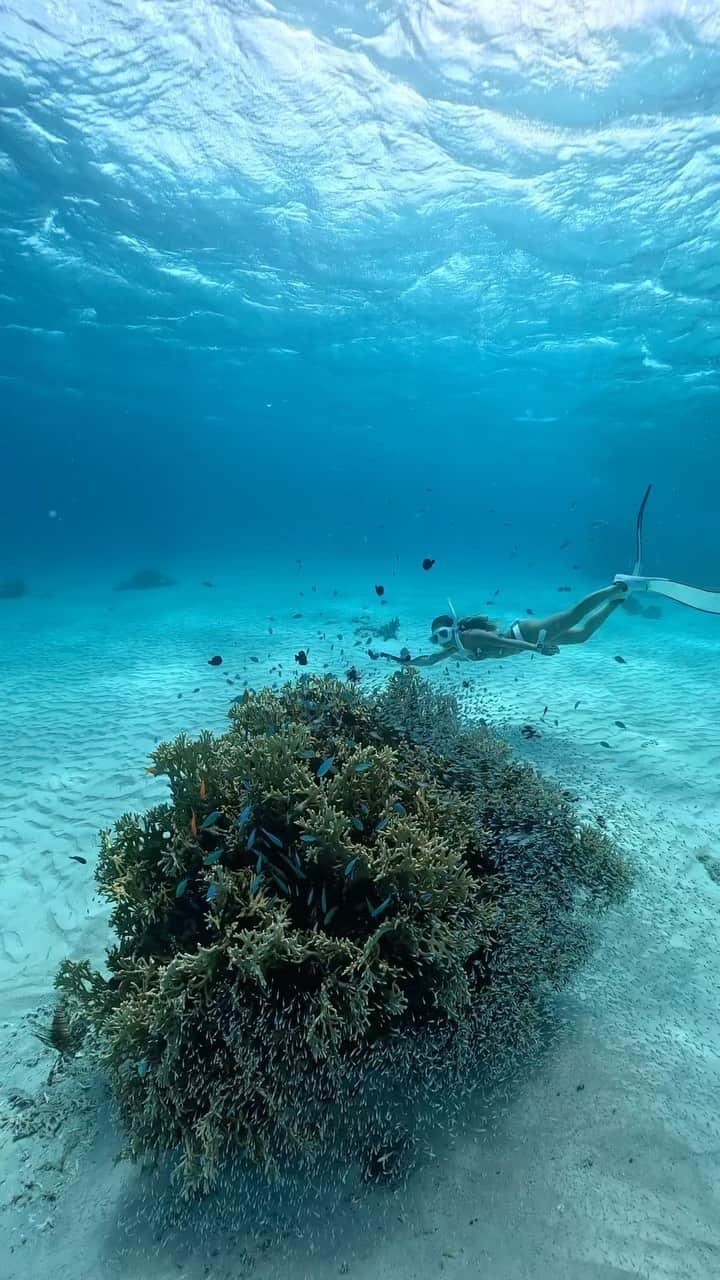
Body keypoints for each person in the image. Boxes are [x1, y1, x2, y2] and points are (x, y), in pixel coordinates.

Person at [369, 582, 629, 668]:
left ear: (455, 629)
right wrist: (399, 661)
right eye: (438, 637)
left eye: (445, 633)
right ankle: (616, 600)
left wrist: (535, 649)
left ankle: (616, 587)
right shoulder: (455, 648)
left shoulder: (470, 636)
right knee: (582, 635)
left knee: (572, 616)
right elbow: (430, 660)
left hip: (523, 634)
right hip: (525, 642)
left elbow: (502, 642)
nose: (443, 640)